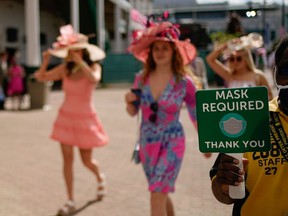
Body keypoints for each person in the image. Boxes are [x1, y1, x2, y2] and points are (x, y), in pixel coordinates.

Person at [125, 21, 211, 216]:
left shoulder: (184, 83)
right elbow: (132, 112)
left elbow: (195, 114)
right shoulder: (141, 78)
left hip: (172, 141)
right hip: (147, 143)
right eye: (156, 48)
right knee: (160, 192)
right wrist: (128, 100)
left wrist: (205, 143)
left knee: (157, 193)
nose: (160, 52)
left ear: (174, 51)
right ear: (150, 52)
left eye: (165, 47)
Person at [209, 35, 288, 216]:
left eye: (239, 57)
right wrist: (225, 182)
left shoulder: (257, 76)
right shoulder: (250, 120)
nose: (235, 62)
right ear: (277, 74)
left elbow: (266, 94)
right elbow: (223, 193)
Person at [35, 24, 109, 216]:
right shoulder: (65, 69)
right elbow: (41, 77)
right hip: (65, 119)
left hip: (85, 120)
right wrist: (45, 61)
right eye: (70, 51)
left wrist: (81, 62)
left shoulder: (93, 67)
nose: (71, 54)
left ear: (82, 51)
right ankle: (70, 200)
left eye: (75, 51)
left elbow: (94, 79)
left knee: (87, 161)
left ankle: (100, 177)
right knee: (67, 161)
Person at [206, 40, 273, 100]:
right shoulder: (229, 75)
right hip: (234, 113)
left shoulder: (258, 76)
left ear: (246, 59)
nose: (235, 62)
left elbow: (270, 97)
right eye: (232, 59)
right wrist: (227, 45)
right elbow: (210, 59)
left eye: (239, 59)